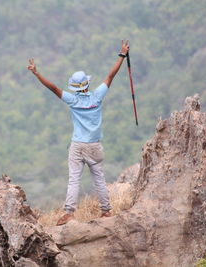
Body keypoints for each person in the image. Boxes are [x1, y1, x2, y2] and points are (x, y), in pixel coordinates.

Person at [28, 40, 130, 226]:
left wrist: (36, 73)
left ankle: (68, 213)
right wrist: (122, 55)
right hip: (95, 145)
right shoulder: (97, 96)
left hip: (77, 145)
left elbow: (53, 88)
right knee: (99, 178)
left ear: (74, 87)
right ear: (87, 84)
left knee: (74, 179)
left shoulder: (73, 100)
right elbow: (110, 76)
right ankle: (106, 211)